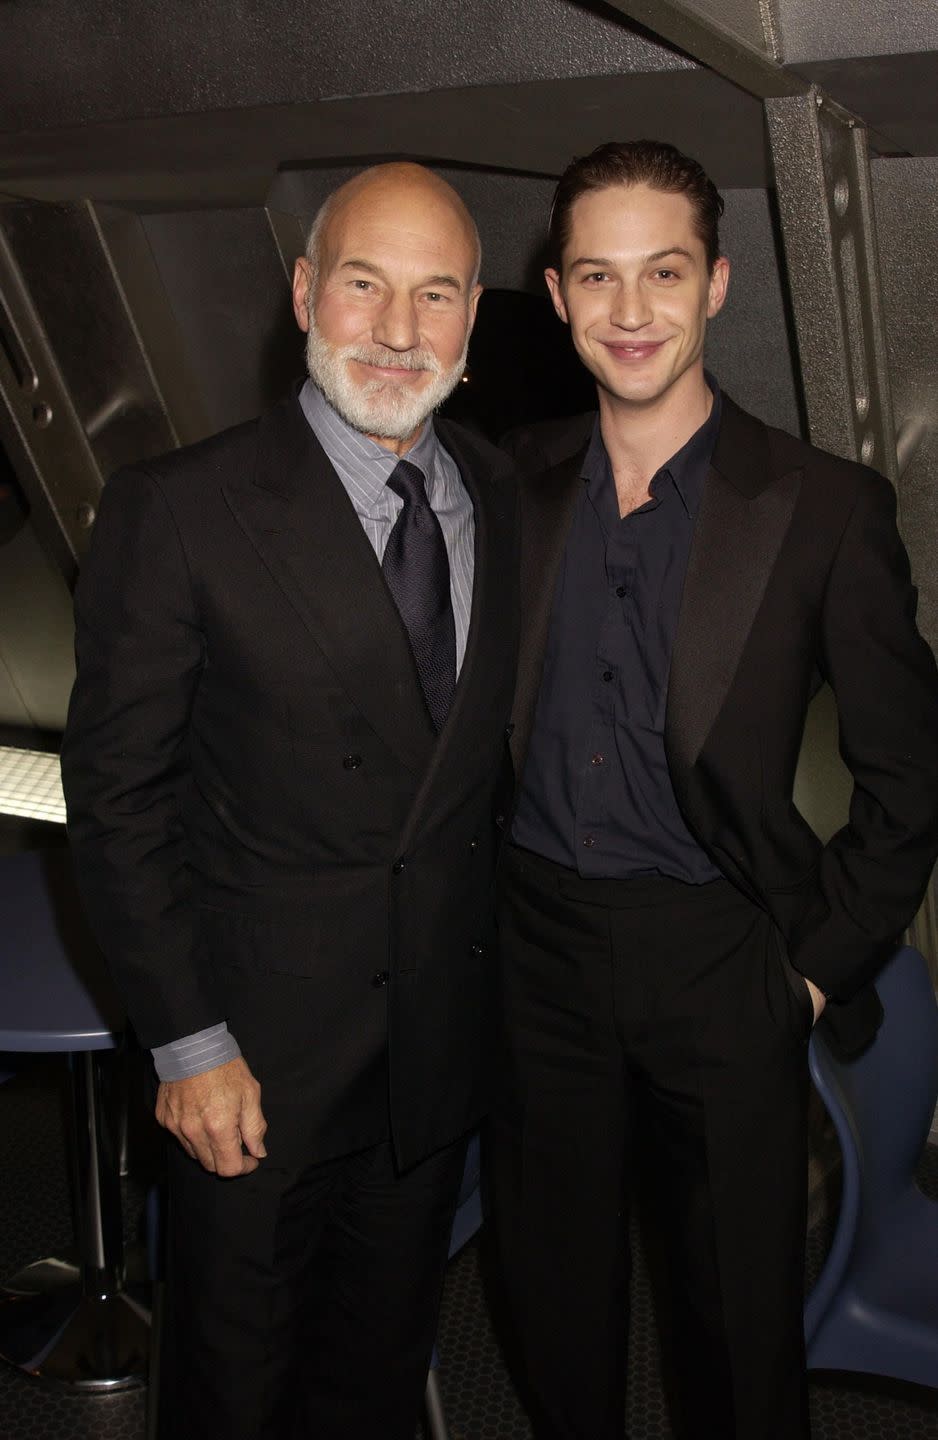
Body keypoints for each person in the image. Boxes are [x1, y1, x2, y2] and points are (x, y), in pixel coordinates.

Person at [61, 161, 517, 1440]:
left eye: (434, 295)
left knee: (376, 1374)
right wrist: (188, 1043)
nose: (395, 330)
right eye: (364, 284)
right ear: (305, 292)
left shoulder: (501, 496)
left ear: (472, 318)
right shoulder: (180, 508)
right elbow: (120, 798)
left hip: (429, 1053)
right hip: (251, 1066)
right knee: (233, 1386)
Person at [493, 139, 938, 1440]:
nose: (630, 312)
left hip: (721, 956)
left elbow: (910, 775)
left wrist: (808, 965)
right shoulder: (497, 481)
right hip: (533, 957)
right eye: (598, 277)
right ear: (558, 292)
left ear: (716, 284)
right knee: (548, 1303)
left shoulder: (821, 508)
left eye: (663, 273)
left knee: (738, 1323)